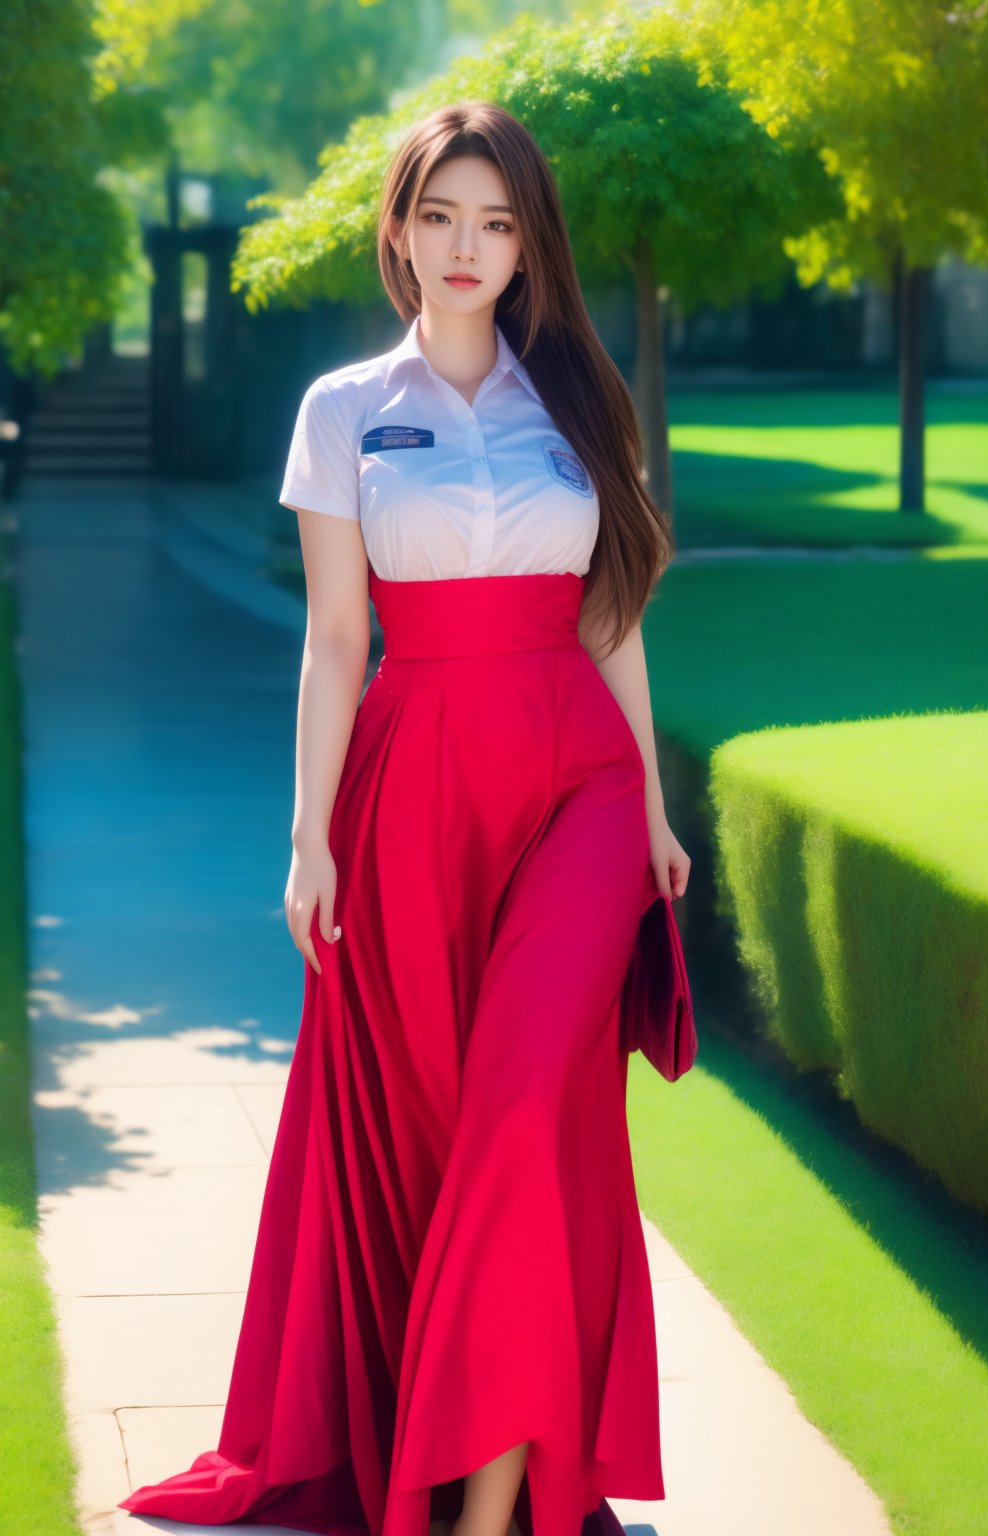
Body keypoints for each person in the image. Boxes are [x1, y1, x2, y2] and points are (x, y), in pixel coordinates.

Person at [118, 100, 692, 1536]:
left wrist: (659, 806)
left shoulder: (579, 403)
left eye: (498, 223)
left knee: (520, 1118)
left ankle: (498, 1505)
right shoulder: (342, 413)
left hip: (580, 789)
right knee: (437, 1135)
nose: (467, 247)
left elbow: (609, 613)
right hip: (415, 788)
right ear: (398, 225)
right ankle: (441, 1454)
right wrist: (309, 840)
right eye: (442, 215)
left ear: (529, 246)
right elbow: (332, 641)